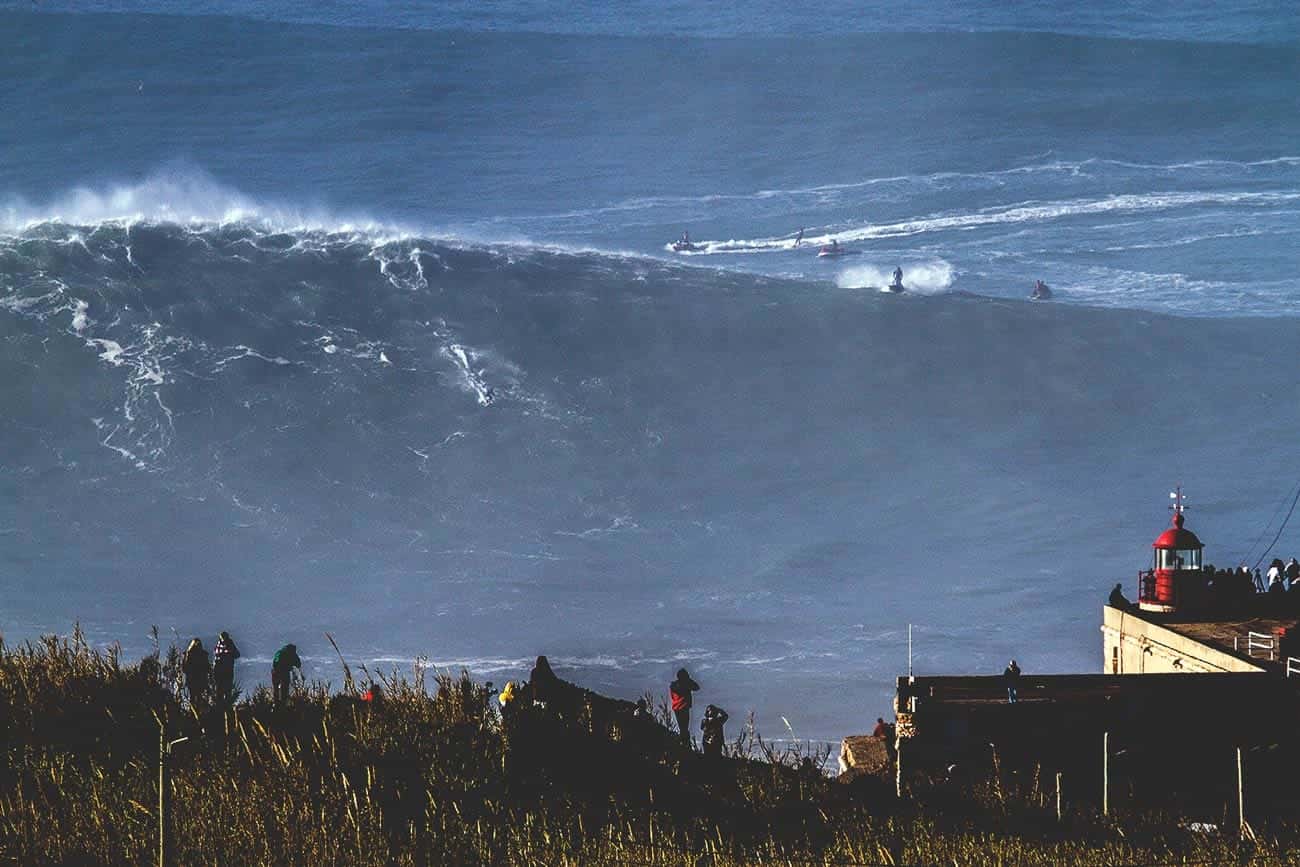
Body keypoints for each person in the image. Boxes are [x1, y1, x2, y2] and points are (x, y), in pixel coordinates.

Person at [669, 668, 700, 747]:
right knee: (684, 727)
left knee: (682, 727)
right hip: (683, 707)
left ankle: (684, 742)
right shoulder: (685, 684)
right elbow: (696, 687)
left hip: (676, 707)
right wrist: (689, 680)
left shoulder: (673, 685)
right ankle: (685, 744)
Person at [211, 631, 240, 704]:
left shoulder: (221, 647)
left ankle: (221, 708)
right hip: (224, 671)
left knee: (222, 691)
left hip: (222, 672)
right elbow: (237, 655)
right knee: (224, 692)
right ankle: (224, 708)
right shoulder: (225, 646)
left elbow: (237, 655)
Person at [182, 638, 210, 709]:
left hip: (191, 680)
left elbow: (184, 669)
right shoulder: (203, 654)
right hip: (201, 679)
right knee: (199, 697)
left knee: (193, 697)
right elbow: (208, 668)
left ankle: (192, 713)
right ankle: (198, 713)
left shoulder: (188, 654)